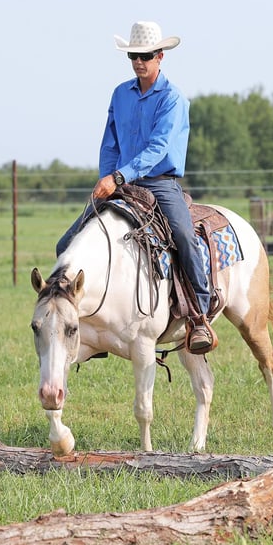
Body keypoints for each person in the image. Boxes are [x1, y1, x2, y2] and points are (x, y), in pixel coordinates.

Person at [56, 21, 217, 354]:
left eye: (145, 56)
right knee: (66, 244)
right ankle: (92, 321)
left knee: (184, 237)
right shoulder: (120, 94)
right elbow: (110, 143)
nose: (138, 62)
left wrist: (118, 177)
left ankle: (199, 317)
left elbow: (158, 148)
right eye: (133, 56)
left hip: (160, 183)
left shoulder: (173, 99)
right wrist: (108, 177)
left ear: (160, 56)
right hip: (120, 182)